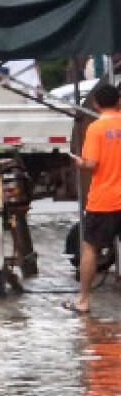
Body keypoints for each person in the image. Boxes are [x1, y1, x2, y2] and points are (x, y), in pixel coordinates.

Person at [68, 82, 121, 315]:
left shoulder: (96, 129)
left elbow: (91, 163)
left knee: (90, 249)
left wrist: (78, 161)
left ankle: (84, 301)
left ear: (97, 104)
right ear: (119, 102)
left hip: (104, 200)